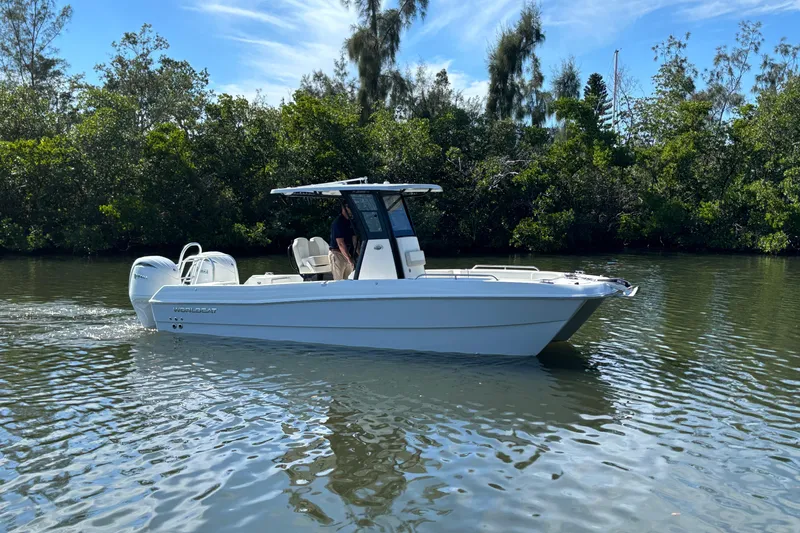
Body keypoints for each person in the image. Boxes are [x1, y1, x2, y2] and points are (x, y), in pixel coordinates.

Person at [328, 203, 357, 280]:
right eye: (349, 206)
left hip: (348, 253)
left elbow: (354, 240)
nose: (351, 208)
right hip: (337, 254)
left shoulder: (351, 222)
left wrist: (359, 254)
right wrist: (349, 259)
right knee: (338, 281)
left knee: (348, 280)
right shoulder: (338, 223)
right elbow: (340, 243)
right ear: (343, 208)